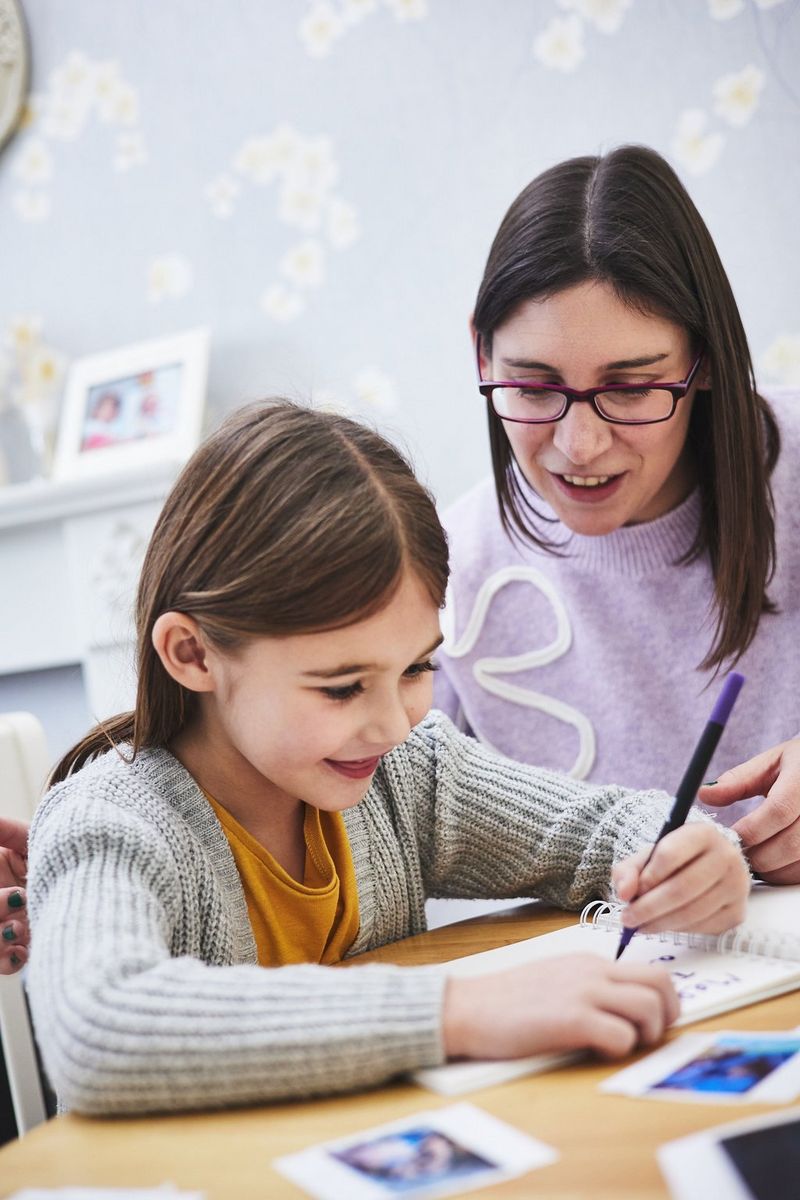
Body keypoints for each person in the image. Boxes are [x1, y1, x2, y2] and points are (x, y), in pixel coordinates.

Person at [26, 400, 748, 1116]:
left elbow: (607, 825)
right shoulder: (109, 819)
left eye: (415, 669)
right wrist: (458, 1011)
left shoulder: (404, 778)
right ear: (193, 654)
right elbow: (98, 1028)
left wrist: (691, 852)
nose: (393, 724)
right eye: (342, 688)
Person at [435, 144, 800, 885]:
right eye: (535, 388)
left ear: (702, 360)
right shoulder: (446, 567)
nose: (580, 446)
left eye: (631, 388)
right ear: (481, 352)